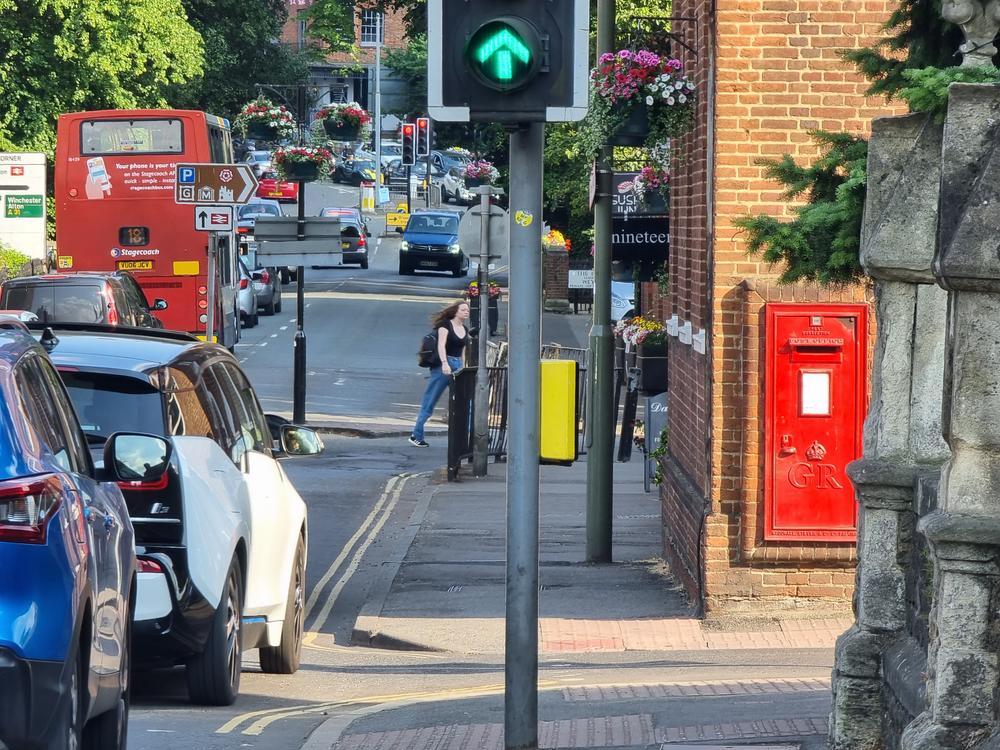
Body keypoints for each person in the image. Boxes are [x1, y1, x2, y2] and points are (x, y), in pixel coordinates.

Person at [409, 300, 471, 447]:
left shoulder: (465, 329)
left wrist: (463, 366)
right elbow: (441, 346)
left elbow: (463, 351)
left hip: (457, 364)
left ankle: (471, 434)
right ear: (455, 311)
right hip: (443, 365)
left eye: (467, 310)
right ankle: (416, 435)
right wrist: (444, 363)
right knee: (430, 400)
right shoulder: (445, 325)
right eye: (463, 310)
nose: (466, 312)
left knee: (466, 400)